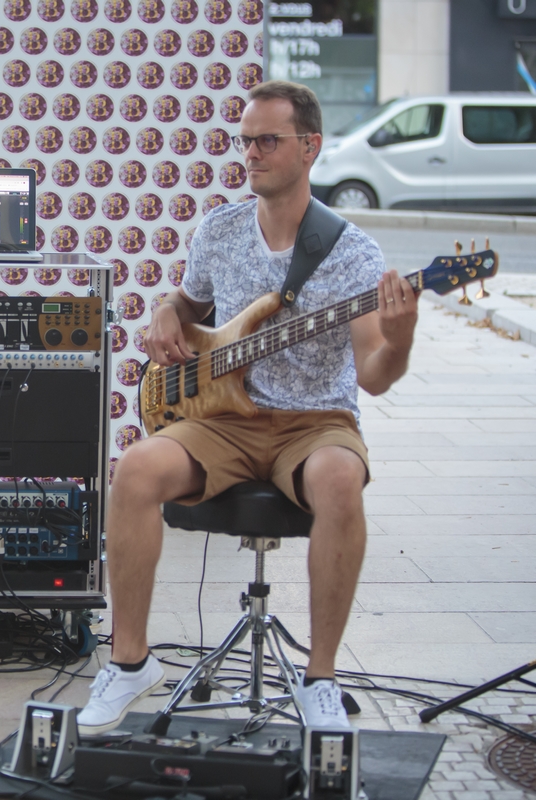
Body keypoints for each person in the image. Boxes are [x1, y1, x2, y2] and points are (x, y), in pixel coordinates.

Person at [77, 80, 419, 734]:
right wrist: (164, 314)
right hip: (221, 421)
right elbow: (188, 305)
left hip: (314, 423)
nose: (252, 153)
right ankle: (129, 663)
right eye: (246, 141)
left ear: (309, 147)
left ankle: (321, 678)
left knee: (342, 480)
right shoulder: (221, 229)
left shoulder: (352, 252)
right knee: (135, 471)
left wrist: (399, 339)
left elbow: (374, 375)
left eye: (268, 140)